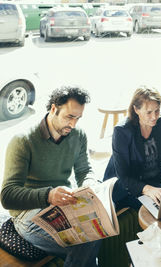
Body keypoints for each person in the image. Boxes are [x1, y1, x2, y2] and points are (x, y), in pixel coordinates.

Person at [1, 86, 101, 267]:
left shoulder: (78, 136)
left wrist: (89, 184)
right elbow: (7, 196)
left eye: (78, 118)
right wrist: (48, 195)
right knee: (83, 244)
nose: (73, 124)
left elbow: (84, 170)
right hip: (28, 213)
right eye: (69, 117)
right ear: (53, 109)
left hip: (63, 205)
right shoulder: (23, 140)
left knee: (95, 233)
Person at [103, 86, 161, 210]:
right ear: (136, 109)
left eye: (157, 110)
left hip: (154, 180)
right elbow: (123, 177)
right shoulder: (122, 131)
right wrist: (147, 189)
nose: (154, 117)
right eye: (149, 112)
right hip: (128, 186)